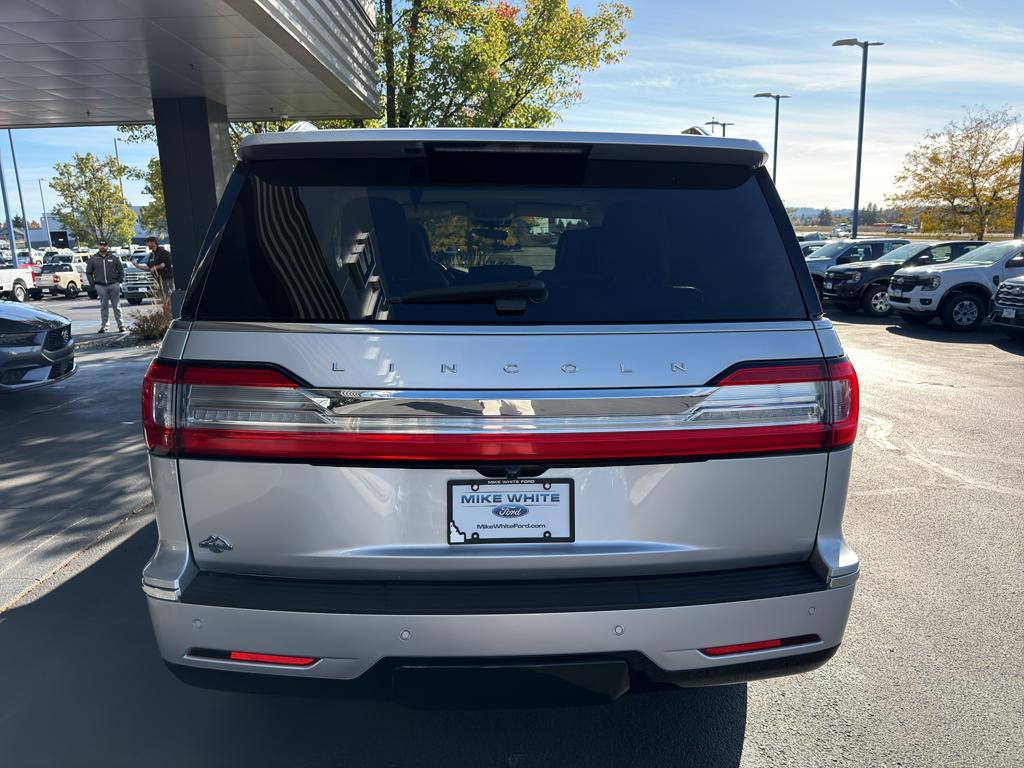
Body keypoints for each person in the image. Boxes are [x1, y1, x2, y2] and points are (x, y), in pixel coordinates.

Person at [85, 241, 124, 333]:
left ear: (107, 246)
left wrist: (119, 281)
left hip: (114, 285)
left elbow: (121, 270)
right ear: (98, 246)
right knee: (103, 307)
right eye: (101, 245)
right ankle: (104, 327)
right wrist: (93, 284)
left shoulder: (114, 258)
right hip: (100, 286)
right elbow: (89, 272)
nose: (103, 247)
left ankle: (121, 326)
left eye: (104, 245)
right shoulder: (93, 259)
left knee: (117, 306)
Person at [134, 237, 173, 321]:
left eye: (148, 243)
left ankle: (171, 317)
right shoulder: (151, 255)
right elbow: (149, 268)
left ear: (153, 242)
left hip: (166, 279)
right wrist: (137, 266)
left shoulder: (163, 252)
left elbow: (165, 264)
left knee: (169, 300)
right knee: (163, 300)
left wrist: (156, 267)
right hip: (157, 281)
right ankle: (166, 317)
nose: (147, 245)